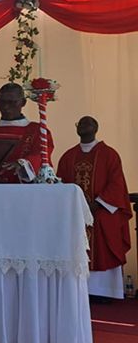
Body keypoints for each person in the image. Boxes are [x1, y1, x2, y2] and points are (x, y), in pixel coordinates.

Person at [57, 116, 132, 300]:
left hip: (102, 211)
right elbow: (60, 184)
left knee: (104, 243)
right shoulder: (68, 156)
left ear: (96, 127)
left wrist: (96, 203)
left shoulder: (109, 154)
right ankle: (77, 290)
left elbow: (116, 184)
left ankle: (104, 291)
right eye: (80, 123)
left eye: (88, 123)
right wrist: (77, 206)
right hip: (76, 215)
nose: (83, 126)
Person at [0, 83, 54, 183]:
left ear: (23, 102)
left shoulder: (38, 131)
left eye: (11, 102)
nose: (6, 107)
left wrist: (23, 164)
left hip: (26, 190)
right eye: (2, 102)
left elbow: (40, 156)